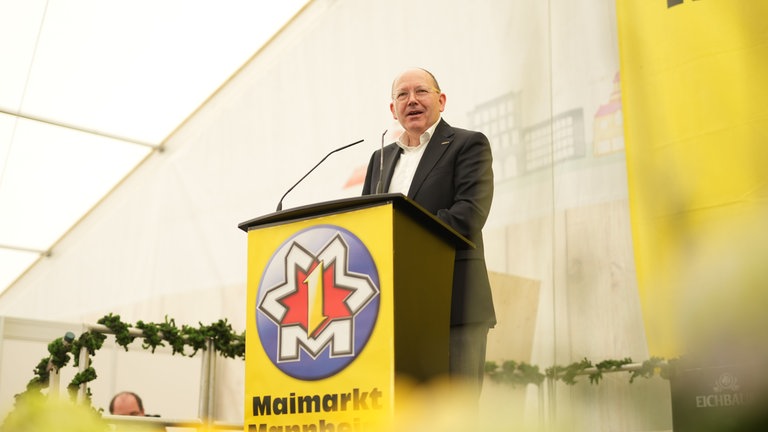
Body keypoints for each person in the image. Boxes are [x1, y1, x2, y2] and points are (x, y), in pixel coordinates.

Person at [362, 67, 496, 399]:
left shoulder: (467, 145)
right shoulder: (379, 160)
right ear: (393, 110)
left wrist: (404, 239)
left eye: (421, 91)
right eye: (402, 95)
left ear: (441, 100)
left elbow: (468, 215)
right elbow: (365, 227)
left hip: (453, 305)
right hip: (394, 313)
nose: (412, 101)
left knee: (455, 413)